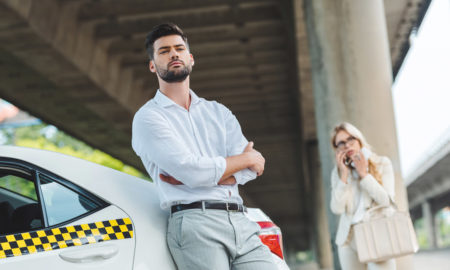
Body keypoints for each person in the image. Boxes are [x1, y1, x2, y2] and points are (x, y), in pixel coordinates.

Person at [132, 23, 277, 270]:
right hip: (194, 223)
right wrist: (240, 161)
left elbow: (254, 168)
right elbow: (193, 171)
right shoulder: (148, 118)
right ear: (152, 65)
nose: (174, 54)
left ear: (191, 58)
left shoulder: (218, 112)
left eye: (179, 48)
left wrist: (206, 175)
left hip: (240, 220)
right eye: (164, 51)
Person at [330, 122, 396, 270]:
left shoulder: (382, 163)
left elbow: (387, 201)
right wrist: (344, 176)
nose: (347, 145)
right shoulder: (338, 173)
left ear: (359, 140)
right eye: (341, 143)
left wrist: (364, 175)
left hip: (376, 234)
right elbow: (337, 208)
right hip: (348, 239)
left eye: (350, 139)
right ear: (337, 149)